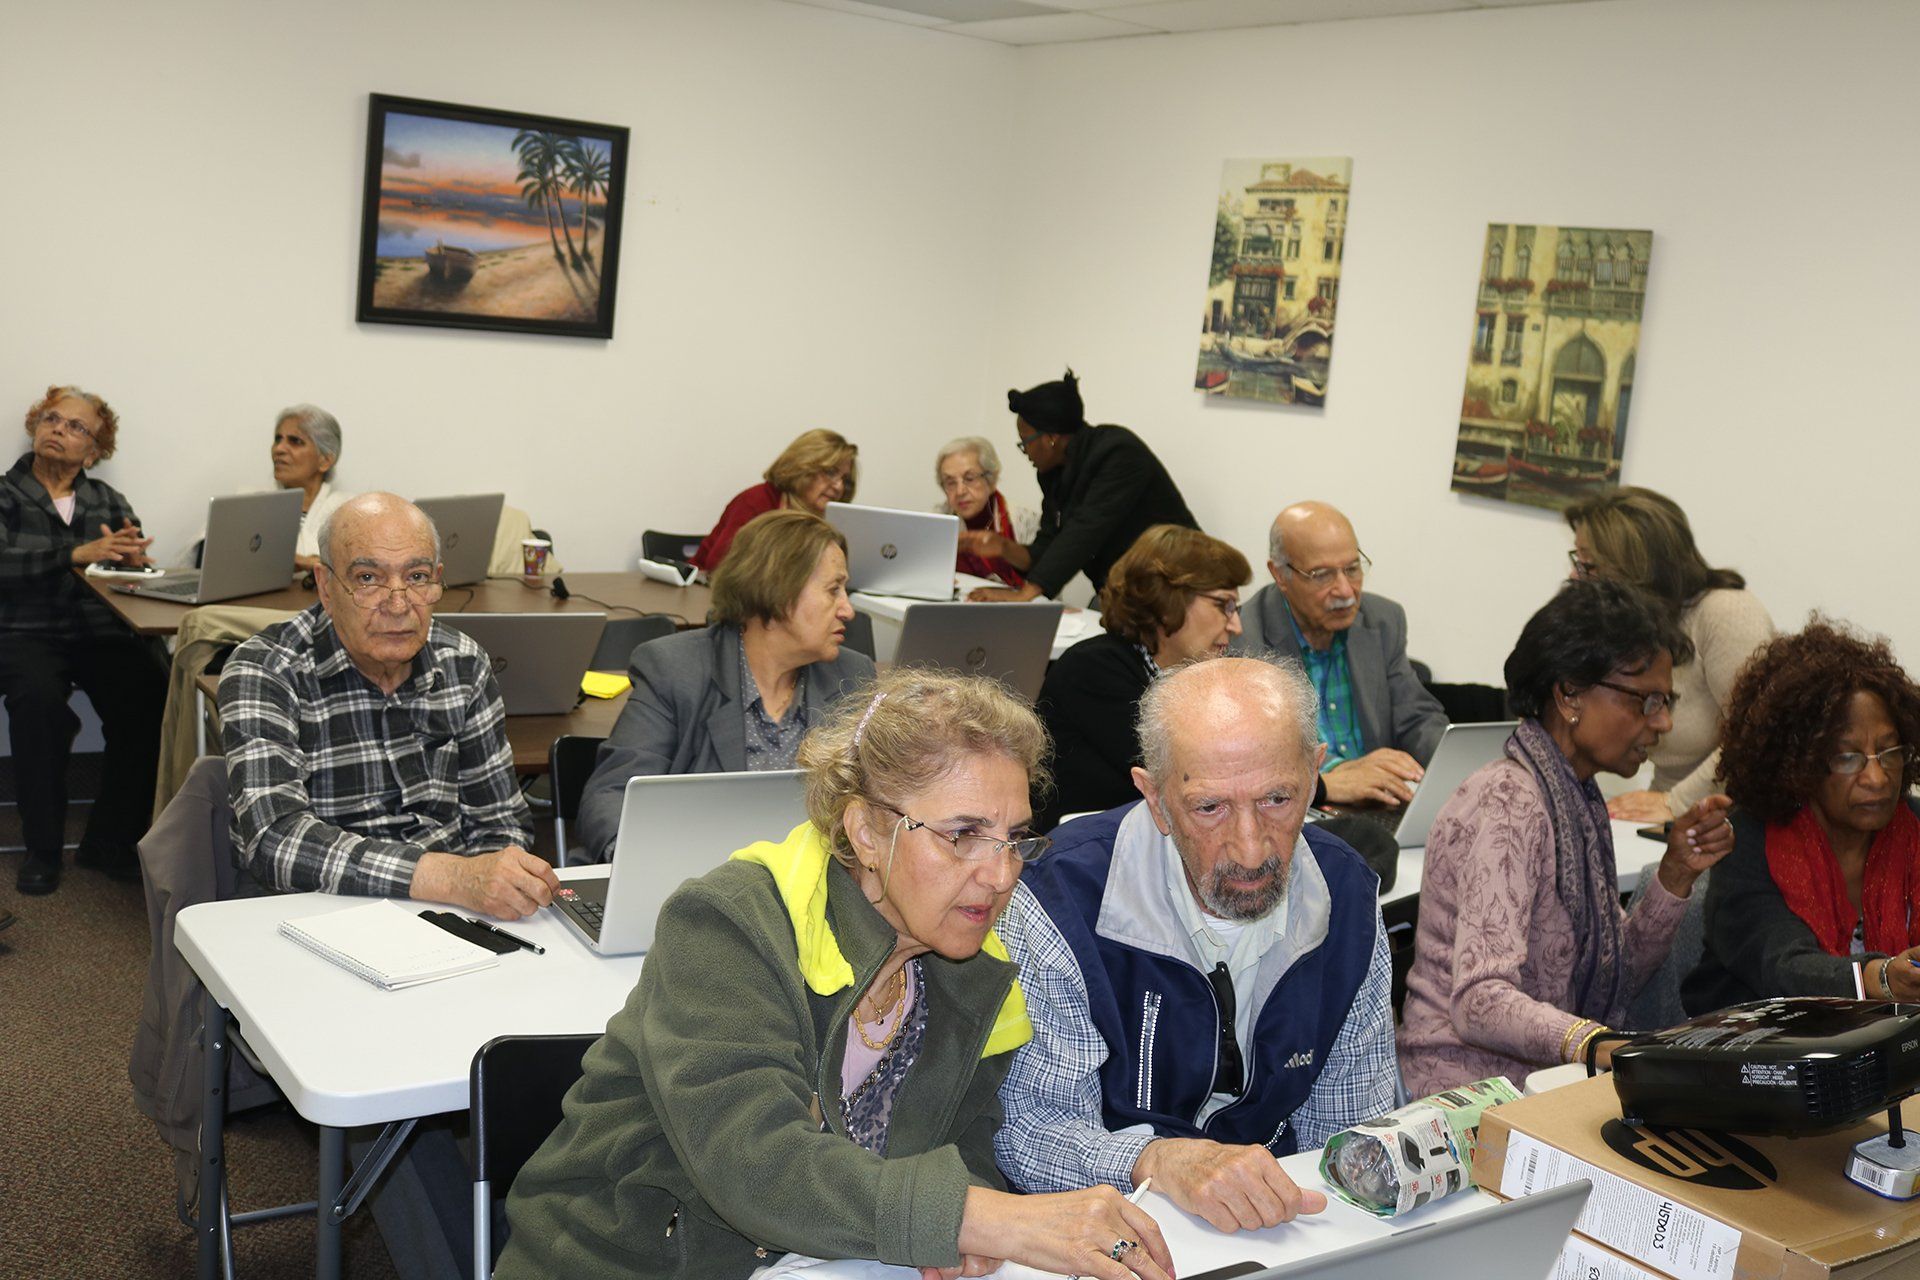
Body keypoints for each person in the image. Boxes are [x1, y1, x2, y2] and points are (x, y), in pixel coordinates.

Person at [497, 670, 1175, 1280]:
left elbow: (964, 1132)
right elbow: (755, 1163)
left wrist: (950, 1227)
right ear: (866, 833)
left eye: (1015, 838)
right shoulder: (731, 921)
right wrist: (976, 1217)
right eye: (962, 835)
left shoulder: (977, 956)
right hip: (629, 1261)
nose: (1000, 875)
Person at [996, 656, 1397, 1234]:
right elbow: (1029, 1134)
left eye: (1278, 800)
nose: (1251, 848)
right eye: (1210, 808)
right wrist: (1154, 1161)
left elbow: (1348, 1129)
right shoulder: (1058, 900)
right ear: (1154, 798)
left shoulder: (1347, 896)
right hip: (1107, 1231)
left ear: (1314, 776)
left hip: (1280, 1229)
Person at [1398, 579, 1737, 1095]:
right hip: (1467, 1096)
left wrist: (1675, 875)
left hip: (1543, 1082)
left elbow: (1617, 977)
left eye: (1665, 702)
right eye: (1645, 701)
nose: (1663, 723)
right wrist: (1596, 1043)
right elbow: (1480, 1002)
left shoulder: (1576, 797)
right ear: (1570, 694)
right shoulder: (1508, 803)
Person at [219, 492, 557, 918]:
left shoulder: (463, 663)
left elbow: (500, 822)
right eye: (367, 579)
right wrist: (450, 879)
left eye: (416, 577)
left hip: (449, 914)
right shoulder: (266, 670)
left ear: (437, 580)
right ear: (326, 586)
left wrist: (491, 896)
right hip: (314, 911)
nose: (398, 605)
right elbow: (276, 840)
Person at [576, 509, 874, 862]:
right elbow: (612, 795)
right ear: (779, 591)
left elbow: (882, 802)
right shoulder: (676, 669)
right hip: (695, 880)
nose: (847, 610)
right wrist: (639, 866)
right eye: (833, 590)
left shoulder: (852, 678)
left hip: (812, 889)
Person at [1683, 620, 1920, 1014]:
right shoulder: (1748, 841)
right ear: (1801, 763)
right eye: (1848, 757)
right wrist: (1880, 978)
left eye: (1889, 752)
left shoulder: (1913, 827)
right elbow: (1783, 967)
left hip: (1892, 1049)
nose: (1877, 778)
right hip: (1760, 1051)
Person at [0, 385, 168, 893]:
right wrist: (75, 553)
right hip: (25, 632)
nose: (59, 430)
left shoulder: (106, 499)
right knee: (40, 703)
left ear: (93, 451)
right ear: (35, 426)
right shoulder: (5, 494)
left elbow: (130, 566)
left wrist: (136, 564)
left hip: (97, 630)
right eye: (52, 419)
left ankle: (110, 842)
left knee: (151, 692)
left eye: (76, 427)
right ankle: (43, 850)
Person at [1565, 486, 1773, 822]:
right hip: (1672, 809)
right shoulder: (1634, 624)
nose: (1575, 576)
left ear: (1634, 569)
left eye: (1589, 564)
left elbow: (1761, 737)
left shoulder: (1726, 613)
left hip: (1735, 819)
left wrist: (1675, 804)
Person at [1234, 501, 1447, 809]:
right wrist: (1334, 772)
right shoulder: (1243, 639)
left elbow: (1416, 717)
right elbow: (1259, 750)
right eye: (1322, 575)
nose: (1346, 591)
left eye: (1352, 569)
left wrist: (1454, 762)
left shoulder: (1383, 620)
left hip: (1378, 803)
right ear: (1280, 575)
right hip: (1303, 811)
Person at [1037, 525, 1249, 827]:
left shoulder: (1190, 674)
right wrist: (1324, 788)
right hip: (1086, 857)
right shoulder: (1093, 670)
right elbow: (1192, 776)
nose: (1236, 625)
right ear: (1167, 598)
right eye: (1223, 605)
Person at [967, 369, 1197, 604]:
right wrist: (1004, 548)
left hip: (1180, 589)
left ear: (1051, 438)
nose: (1024, 451)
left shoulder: (1118, 452)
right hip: (1129, 594)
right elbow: (1049, 544)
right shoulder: (1054, 473)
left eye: (1024, 442)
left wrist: (1026, 593)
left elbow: (1086, 529)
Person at [688, 428, 858, 575]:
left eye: (845, 479)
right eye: (830, 472)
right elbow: (721, 569)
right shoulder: (757, 501)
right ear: (802, 466)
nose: (839, 486)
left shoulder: (828, 520)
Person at [936, 435, 1037, 587]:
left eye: (969, 478)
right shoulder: (936, 522)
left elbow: (1045, 585)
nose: (960, 491)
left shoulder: (1025, 521)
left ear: (991, 480)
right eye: (950, 482)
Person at [270, 403, 350, 570]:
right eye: (278, 439)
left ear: (325, 460)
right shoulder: (250, 504)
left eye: (295, 441)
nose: (279, 449)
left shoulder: (349, 510)